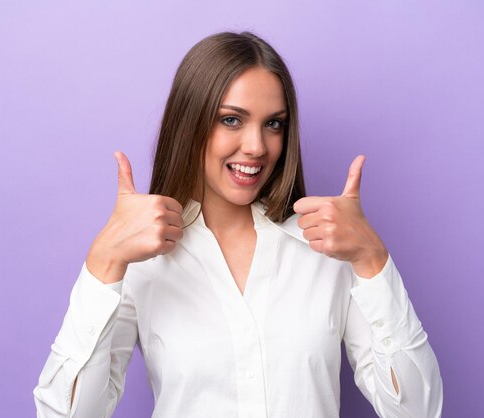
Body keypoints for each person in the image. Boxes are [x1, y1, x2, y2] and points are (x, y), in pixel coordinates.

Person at [33, 31, 443, 418]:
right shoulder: (140, 259)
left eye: (273, 123)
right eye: (231, 119)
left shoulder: (326, 247)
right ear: (189, 122)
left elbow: (417, 411)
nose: (257, 146)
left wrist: (373, 259)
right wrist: (104, 262)